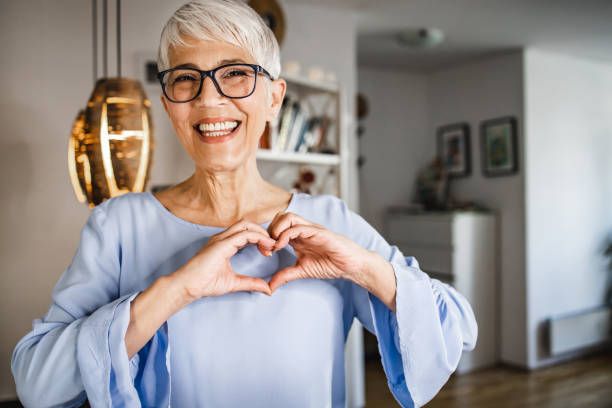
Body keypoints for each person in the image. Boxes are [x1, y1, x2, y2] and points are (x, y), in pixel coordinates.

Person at [11, 1, 477, 406]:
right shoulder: (117, 226)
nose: (209, 99)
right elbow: (37, 383)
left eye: (235, 74)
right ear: (169, 104)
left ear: (274, 98)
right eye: (186, 78)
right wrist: (176, 289)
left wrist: (364, 267)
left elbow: (457, 330)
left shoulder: (330, 221)